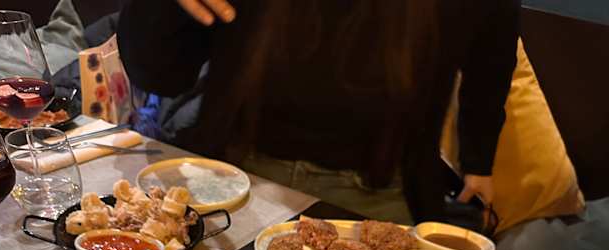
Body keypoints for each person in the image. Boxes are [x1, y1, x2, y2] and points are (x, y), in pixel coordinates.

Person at [118, 0, 520, 223]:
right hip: (235, 173)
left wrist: (478, 162)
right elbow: (161, 75)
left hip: (378, 192)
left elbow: (492, 58)